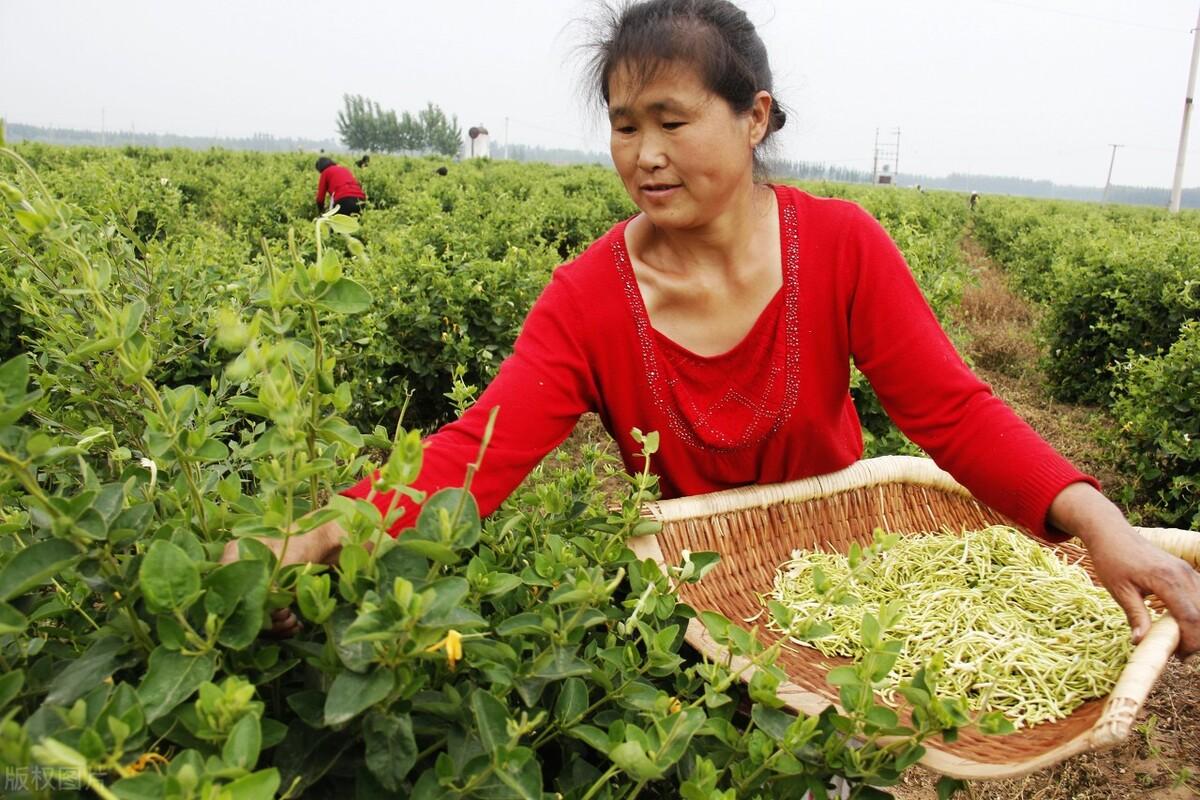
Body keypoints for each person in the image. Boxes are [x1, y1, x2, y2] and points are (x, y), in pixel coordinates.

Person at [231, 0, 1200, 659]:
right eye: (622, 125)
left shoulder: (840, 245)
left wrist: (1099, 525)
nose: (644, 155)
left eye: (671, 119)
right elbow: (470, 455)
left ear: (754, 118)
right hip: (693, 609)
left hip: (844, 602)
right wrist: (309, 538)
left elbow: (951, 408)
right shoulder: (588, 298)